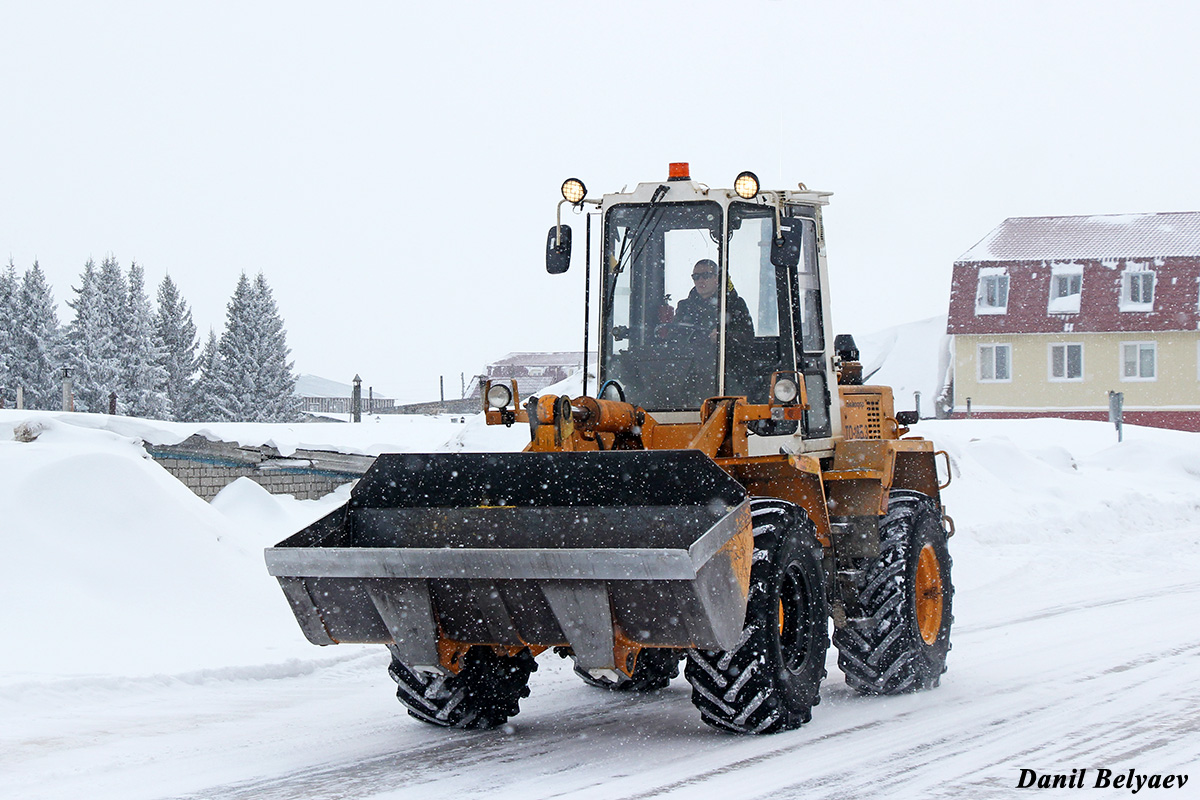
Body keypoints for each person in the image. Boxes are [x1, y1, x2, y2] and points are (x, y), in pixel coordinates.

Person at [673, 259, 754, 345]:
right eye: (696, 277)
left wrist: (725, 337)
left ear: (717, 278)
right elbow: (674, 339)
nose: (700, 280)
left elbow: (747, 338)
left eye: (706, 275)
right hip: (691, 357)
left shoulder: (734, 305)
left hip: (727, 357)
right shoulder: (684, 307)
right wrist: (706, 339)